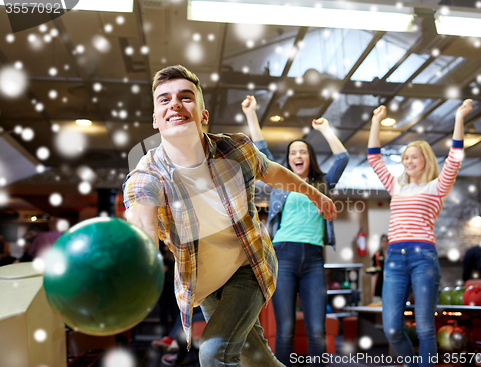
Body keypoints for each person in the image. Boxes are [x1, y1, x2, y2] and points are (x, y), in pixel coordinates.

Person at [123, 65, 336, 367]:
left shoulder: (234, 150)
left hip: (249, 263)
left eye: (186, 97)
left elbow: (272, 172)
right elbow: (143, 219)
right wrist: (139, 255)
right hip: (205, 282)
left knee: (213, 354)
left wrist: (315, 194)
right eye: (164, 99)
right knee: (255, 358)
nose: (175, 104)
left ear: (204, 116)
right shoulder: (148, 174)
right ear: (156, 119)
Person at [242, 95, 349, 367]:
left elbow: (342, 157)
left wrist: (325, 129)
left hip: (314, 259)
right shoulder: (283, 183)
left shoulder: (322, 184)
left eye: (302, 152)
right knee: (286, 329)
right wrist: (252, 113)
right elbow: (261, 150)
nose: (297, 156)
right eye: (293, 153)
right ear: (288, 161)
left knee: (316, 330)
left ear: (309, 158)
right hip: (284, 257)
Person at [367, 99, 473, 367]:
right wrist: (375, 122)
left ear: (425, 159)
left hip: (423, 256)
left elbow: (456, 156)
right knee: (392, 328)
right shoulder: (395, 186)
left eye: (414, 156)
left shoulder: (438, 186)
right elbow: (373, 157)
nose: (408, 161)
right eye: (405, 157)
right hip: (393, 258)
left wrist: (459, 118)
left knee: (425, 327)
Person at [372, 234, 388, 301]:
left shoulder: (391, 253)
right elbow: (374, 266)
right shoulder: (377, 254)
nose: (384, 243)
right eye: (382, 241)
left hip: (389, 276)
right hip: (381, 278)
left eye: (385, 241)